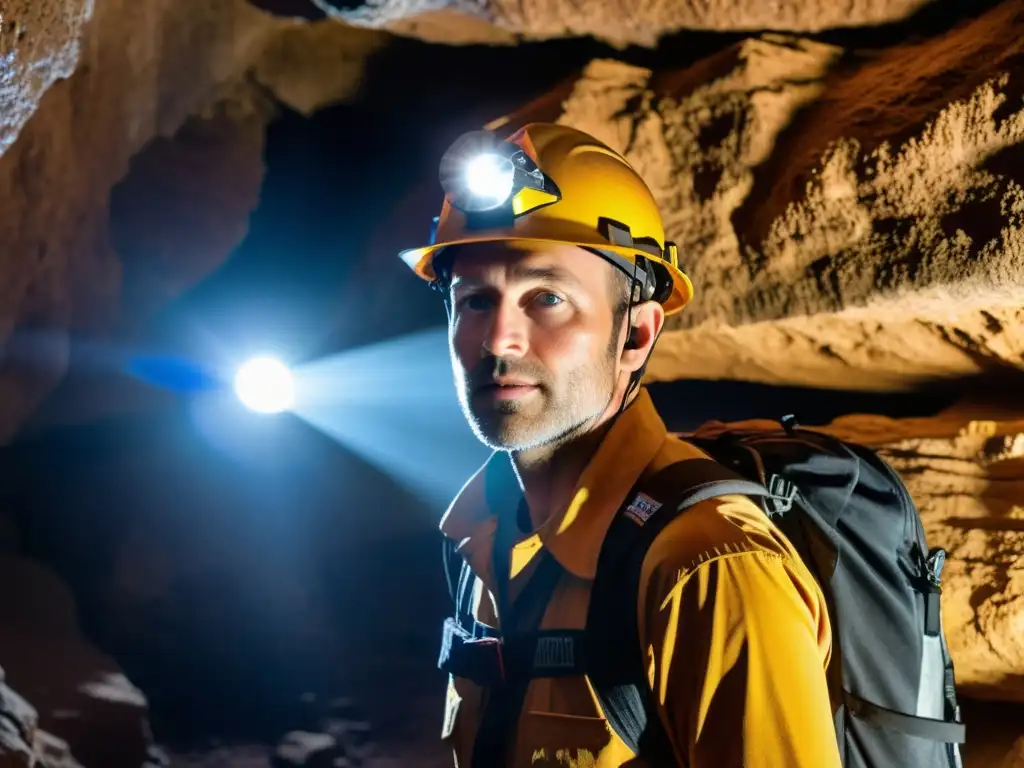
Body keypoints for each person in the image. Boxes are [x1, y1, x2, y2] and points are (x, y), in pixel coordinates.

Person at [398, 122, 842, 767]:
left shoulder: (708, 565)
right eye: (474, 302)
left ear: (636, 334)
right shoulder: (485, 534)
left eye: (546, 298)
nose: (499, 341)